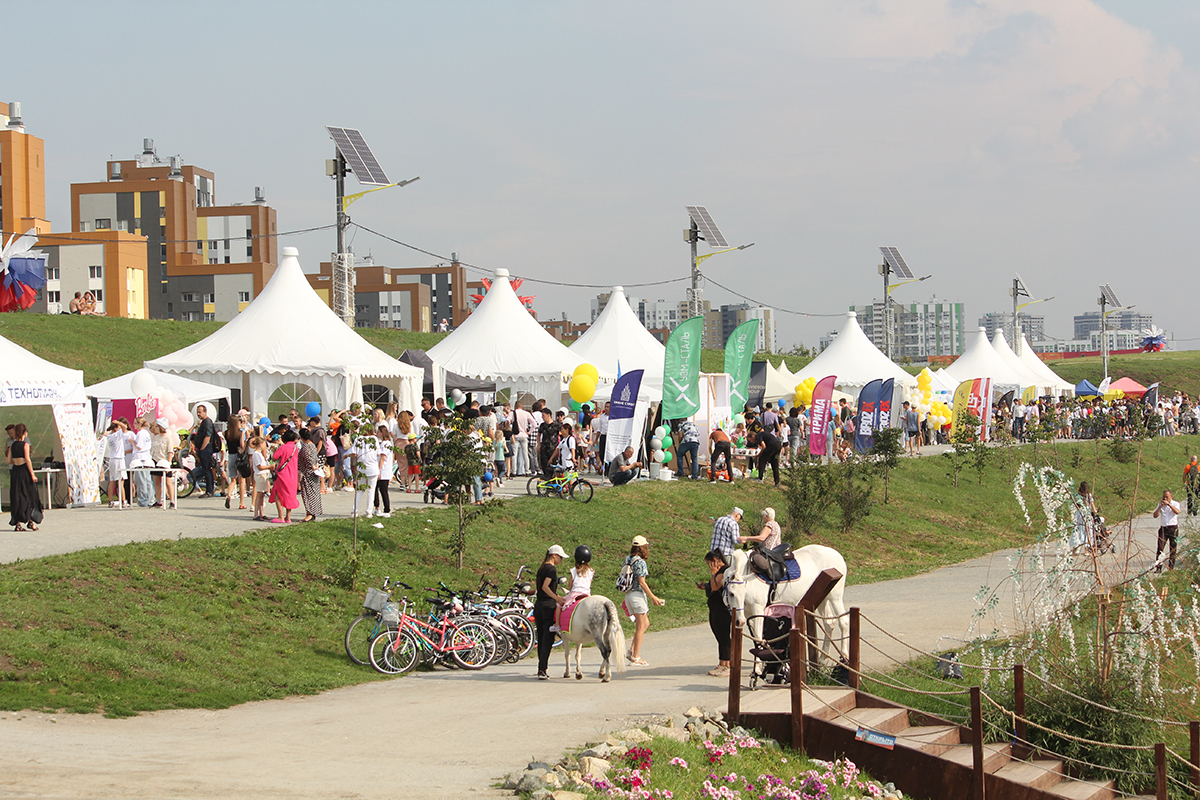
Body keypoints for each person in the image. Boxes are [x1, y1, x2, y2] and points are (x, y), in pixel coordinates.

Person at [622, 535, 664, 667]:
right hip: (637, 596)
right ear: (642, 548)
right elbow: (642, 582)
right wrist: (653, 597)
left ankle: (631, 650)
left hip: (628, 595)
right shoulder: (640, 562)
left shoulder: (627, 559)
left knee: (645, 623)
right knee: (640, 627)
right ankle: (636, 657)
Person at [534, 544, 568, 680]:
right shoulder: (551, 569)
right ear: (554, 556)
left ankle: (541, 667)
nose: (561, 560)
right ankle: (542, 669)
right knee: (548, 639)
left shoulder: (542, 568)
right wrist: (557, 598)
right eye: (560, 557)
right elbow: (545, 587)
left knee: (541, 638)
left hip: (539, 606)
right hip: (548, 606)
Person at [698, 550, 731, 677]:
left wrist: (713, 574)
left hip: (722, 609)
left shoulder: (724, 571)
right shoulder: (719, 571)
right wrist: (704, 586)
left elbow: (715, 586)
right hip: (714, 607)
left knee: (724, 636)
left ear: (715, 561)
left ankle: (728, 664)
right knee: (718, 635)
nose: (709, 567)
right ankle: (722, 662)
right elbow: (711, 586)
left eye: (710, 564)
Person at [7, 423, 43, 531]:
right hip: (24, 471)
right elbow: (27, 459)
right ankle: (31, 521)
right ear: (24, 433)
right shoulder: (25, 445)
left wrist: (16, 460)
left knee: (17, 495)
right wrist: (32, 474)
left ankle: (17, 523)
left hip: (15, 472)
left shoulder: (12, 445)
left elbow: (8, 460)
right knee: (30, 495)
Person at [551, 544, 594, 633]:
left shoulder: (574, 570)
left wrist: (570, 590)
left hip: (575, 593)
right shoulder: (591, 570)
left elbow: (570, 584)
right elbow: (589, 584)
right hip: (587, 594)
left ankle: (557, 625)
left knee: (559, 604)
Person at [269, 429, 300, 524]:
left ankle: (280, 516)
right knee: (290, 495)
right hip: (293, 474)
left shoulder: (283, 447)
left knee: (278, 494)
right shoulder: (295, 448)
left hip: (282, 473)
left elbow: (274, 457)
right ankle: (288, 517)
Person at [188, 404, 216, 497]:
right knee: (205, 470)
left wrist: (202, 448)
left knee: (207, 470)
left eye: (200, 412)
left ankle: (209, 491)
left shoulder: (207, 422)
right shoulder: (203, 422)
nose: (199, 414)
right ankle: (209, 489)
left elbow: (208, 436)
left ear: (205, 412)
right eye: (197, 413)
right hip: (202, 449)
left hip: (206, 449)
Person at [297, 428, 323, 522]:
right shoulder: (312, 445)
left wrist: (312, 466)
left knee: (308, 493)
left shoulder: (306, 447)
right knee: (313, 492)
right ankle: (312, 512)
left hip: (308, 473)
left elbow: (309, 459)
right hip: (313, 472)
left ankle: (310, 513)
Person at [1153, 489, 1181, 573]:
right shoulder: (1160, 505)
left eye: (1167, 497)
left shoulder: (1176, 503)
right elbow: (1155, 515)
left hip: (1173, 528)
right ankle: (1158, 567)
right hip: (1163, 528)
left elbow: (1177, 512)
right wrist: (1160, 507)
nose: (1165, 498)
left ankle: (1171, 567)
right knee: (1160, 548)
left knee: (1173, 548)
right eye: (1163, 497)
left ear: (1171, 497)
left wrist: (1169, 505)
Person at [104, 421, 128, 508]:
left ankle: (110, 501)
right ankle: (123, 501)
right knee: (121, 481)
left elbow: (106, 433)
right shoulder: (116, 435)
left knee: (112, 481)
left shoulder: (110, 436)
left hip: (112, 459)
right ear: (115, 428)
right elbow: (125, 427)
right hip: (118, 459)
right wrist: (118, 422)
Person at [373, 424, 393, 518]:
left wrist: (379, 470)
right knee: (376, 489)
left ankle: (386, 509)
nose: (377, 434)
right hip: (384, 470)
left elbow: (383, 457)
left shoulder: (385, 444)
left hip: (383, 470)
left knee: (383, 490)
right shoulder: (385, 443)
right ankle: (377, 507)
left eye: (378, 432)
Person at [249, 436, 271, 521]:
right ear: (261, 444)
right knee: (259, 494)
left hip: (263, 475)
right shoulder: (256, 454)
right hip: (260, 475)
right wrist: (270, 467)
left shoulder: (260, 454)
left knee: (262, 494)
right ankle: (256, 514)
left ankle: (262, 513)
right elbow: (260, 467)